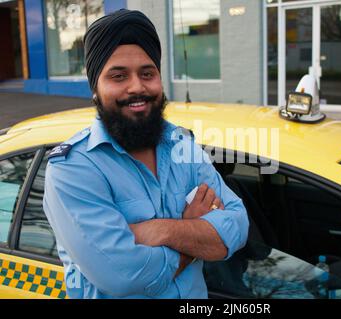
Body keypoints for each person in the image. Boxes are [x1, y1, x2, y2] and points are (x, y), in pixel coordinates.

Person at [43, 9, 249, 299]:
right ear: (95, 90)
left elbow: (238, 225)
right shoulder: (73, 169)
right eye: (118, 76)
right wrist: (195, 234)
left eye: (147, 73)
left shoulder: (182, 146)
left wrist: (159, 231)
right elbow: (125, 277)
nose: (137, 86)